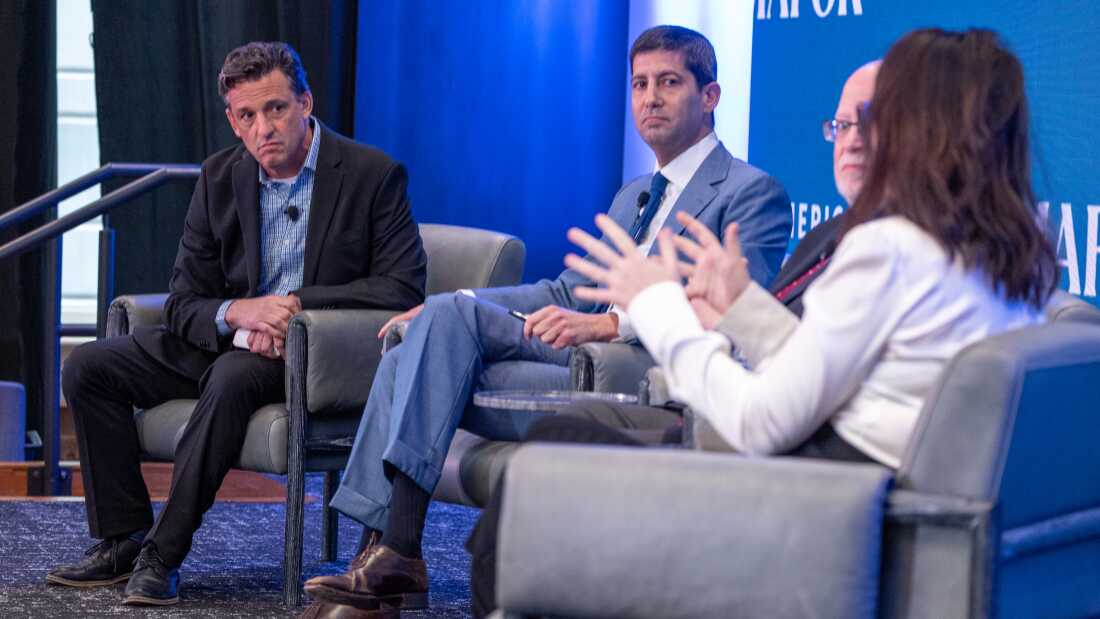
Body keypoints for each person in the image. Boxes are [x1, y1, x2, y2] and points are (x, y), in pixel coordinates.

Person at [467, 27, 1058, 616]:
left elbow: (760, 423)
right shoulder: (1004, 258)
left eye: (880, 114)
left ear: (920, 126)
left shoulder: (888, 248)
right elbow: (851, 373)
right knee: (567, 449)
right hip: (875, 502)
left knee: (554, 455)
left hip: (816, 514)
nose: (859, 135)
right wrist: (744, 309)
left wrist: (657, 306)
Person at [302, 25, 791, 614]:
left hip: (633, 375)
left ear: (709, 96)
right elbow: (564, 290)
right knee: (427, 331)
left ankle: (389, 562)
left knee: (436, 333)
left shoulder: (750, 191)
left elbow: (739, 307)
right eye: (639, 84)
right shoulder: (635, 192)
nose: (650, 98)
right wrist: (438, 307)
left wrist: (612, 327)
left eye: (668, 83)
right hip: (569, 351)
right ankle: (383, 567)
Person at [48, 42, 427, 606]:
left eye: (275, 109)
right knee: (90, 366)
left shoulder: (372, 175)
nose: (263, 128)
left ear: (305, 102)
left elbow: (402, 286)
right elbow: (182, 301)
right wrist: (237, 313)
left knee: (230, 378)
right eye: (246, 116)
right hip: (233, 341)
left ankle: (162, 554)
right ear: (232, 119)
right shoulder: (220, 176)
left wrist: (298, 303)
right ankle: (123, 538)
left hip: (310, 359)